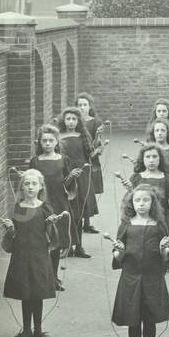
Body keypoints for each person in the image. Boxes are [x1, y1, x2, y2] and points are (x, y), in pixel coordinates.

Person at [111, 185, 169, 337]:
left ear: (152, 203)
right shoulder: (126, 224)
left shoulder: (159, 225)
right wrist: (119, 251)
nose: (141, 204)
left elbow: (166, 258)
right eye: (137, 200)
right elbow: (117, 257)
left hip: (152, 279)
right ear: (131, 203)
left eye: (145, 200)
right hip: (130, 279)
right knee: (133, 320)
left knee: (150, 320)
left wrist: (164, 248)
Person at [0, 169, 64, 337]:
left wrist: (51, 225)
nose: (30, 187)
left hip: (39, 255)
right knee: (25, 291)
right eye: (27, 184)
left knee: (38, 291)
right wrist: (10, 229)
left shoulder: (45, 207)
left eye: (34, 183)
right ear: (22, 187)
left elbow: (51, 237)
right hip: (21, 255)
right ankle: (26, 330)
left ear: (41, 186)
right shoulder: (19, 207)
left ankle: (38, 330)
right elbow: (14, 233)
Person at [28, 124, 75, 289]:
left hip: (60, 204)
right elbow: (30, 185)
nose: (47, 143)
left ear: (56, 142)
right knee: (41, 242)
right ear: (39, 143)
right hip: (41, 206)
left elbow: (69, 186)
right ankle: (41, 277)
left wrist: (72, 179)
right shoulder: (35, 162)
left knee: (56, 242)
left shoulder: (64, 160)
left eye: (50, 140)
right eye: (44, 140)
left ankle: (53, 278)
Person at [57, 107, 94, 257]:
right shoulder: (59, 136)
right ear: (63, 121)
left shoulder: (82, 136)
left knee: (79, 211)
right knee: (67, 210)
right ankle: (67, 245)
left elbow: (89, 156)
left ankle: (79, 246)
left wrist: (94, 153)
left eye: (74, 119)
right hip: (66, 174)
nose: (71, 122)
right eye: (68, 119)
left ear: (78, 121)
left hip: (81, 176)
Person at [75, 93, 106, 234]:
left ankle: (86, 222)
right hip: (76, 157)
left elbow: (95, 144)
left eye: (84, 105)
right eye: (79, 105)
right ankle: (78, 221)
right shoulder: (73, 121)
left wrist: (99, 137)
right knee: (78, 190)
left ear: (90, 106)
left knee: (88, 190)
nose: (82, 107)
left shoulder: (94, 122)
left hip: (90, 159)